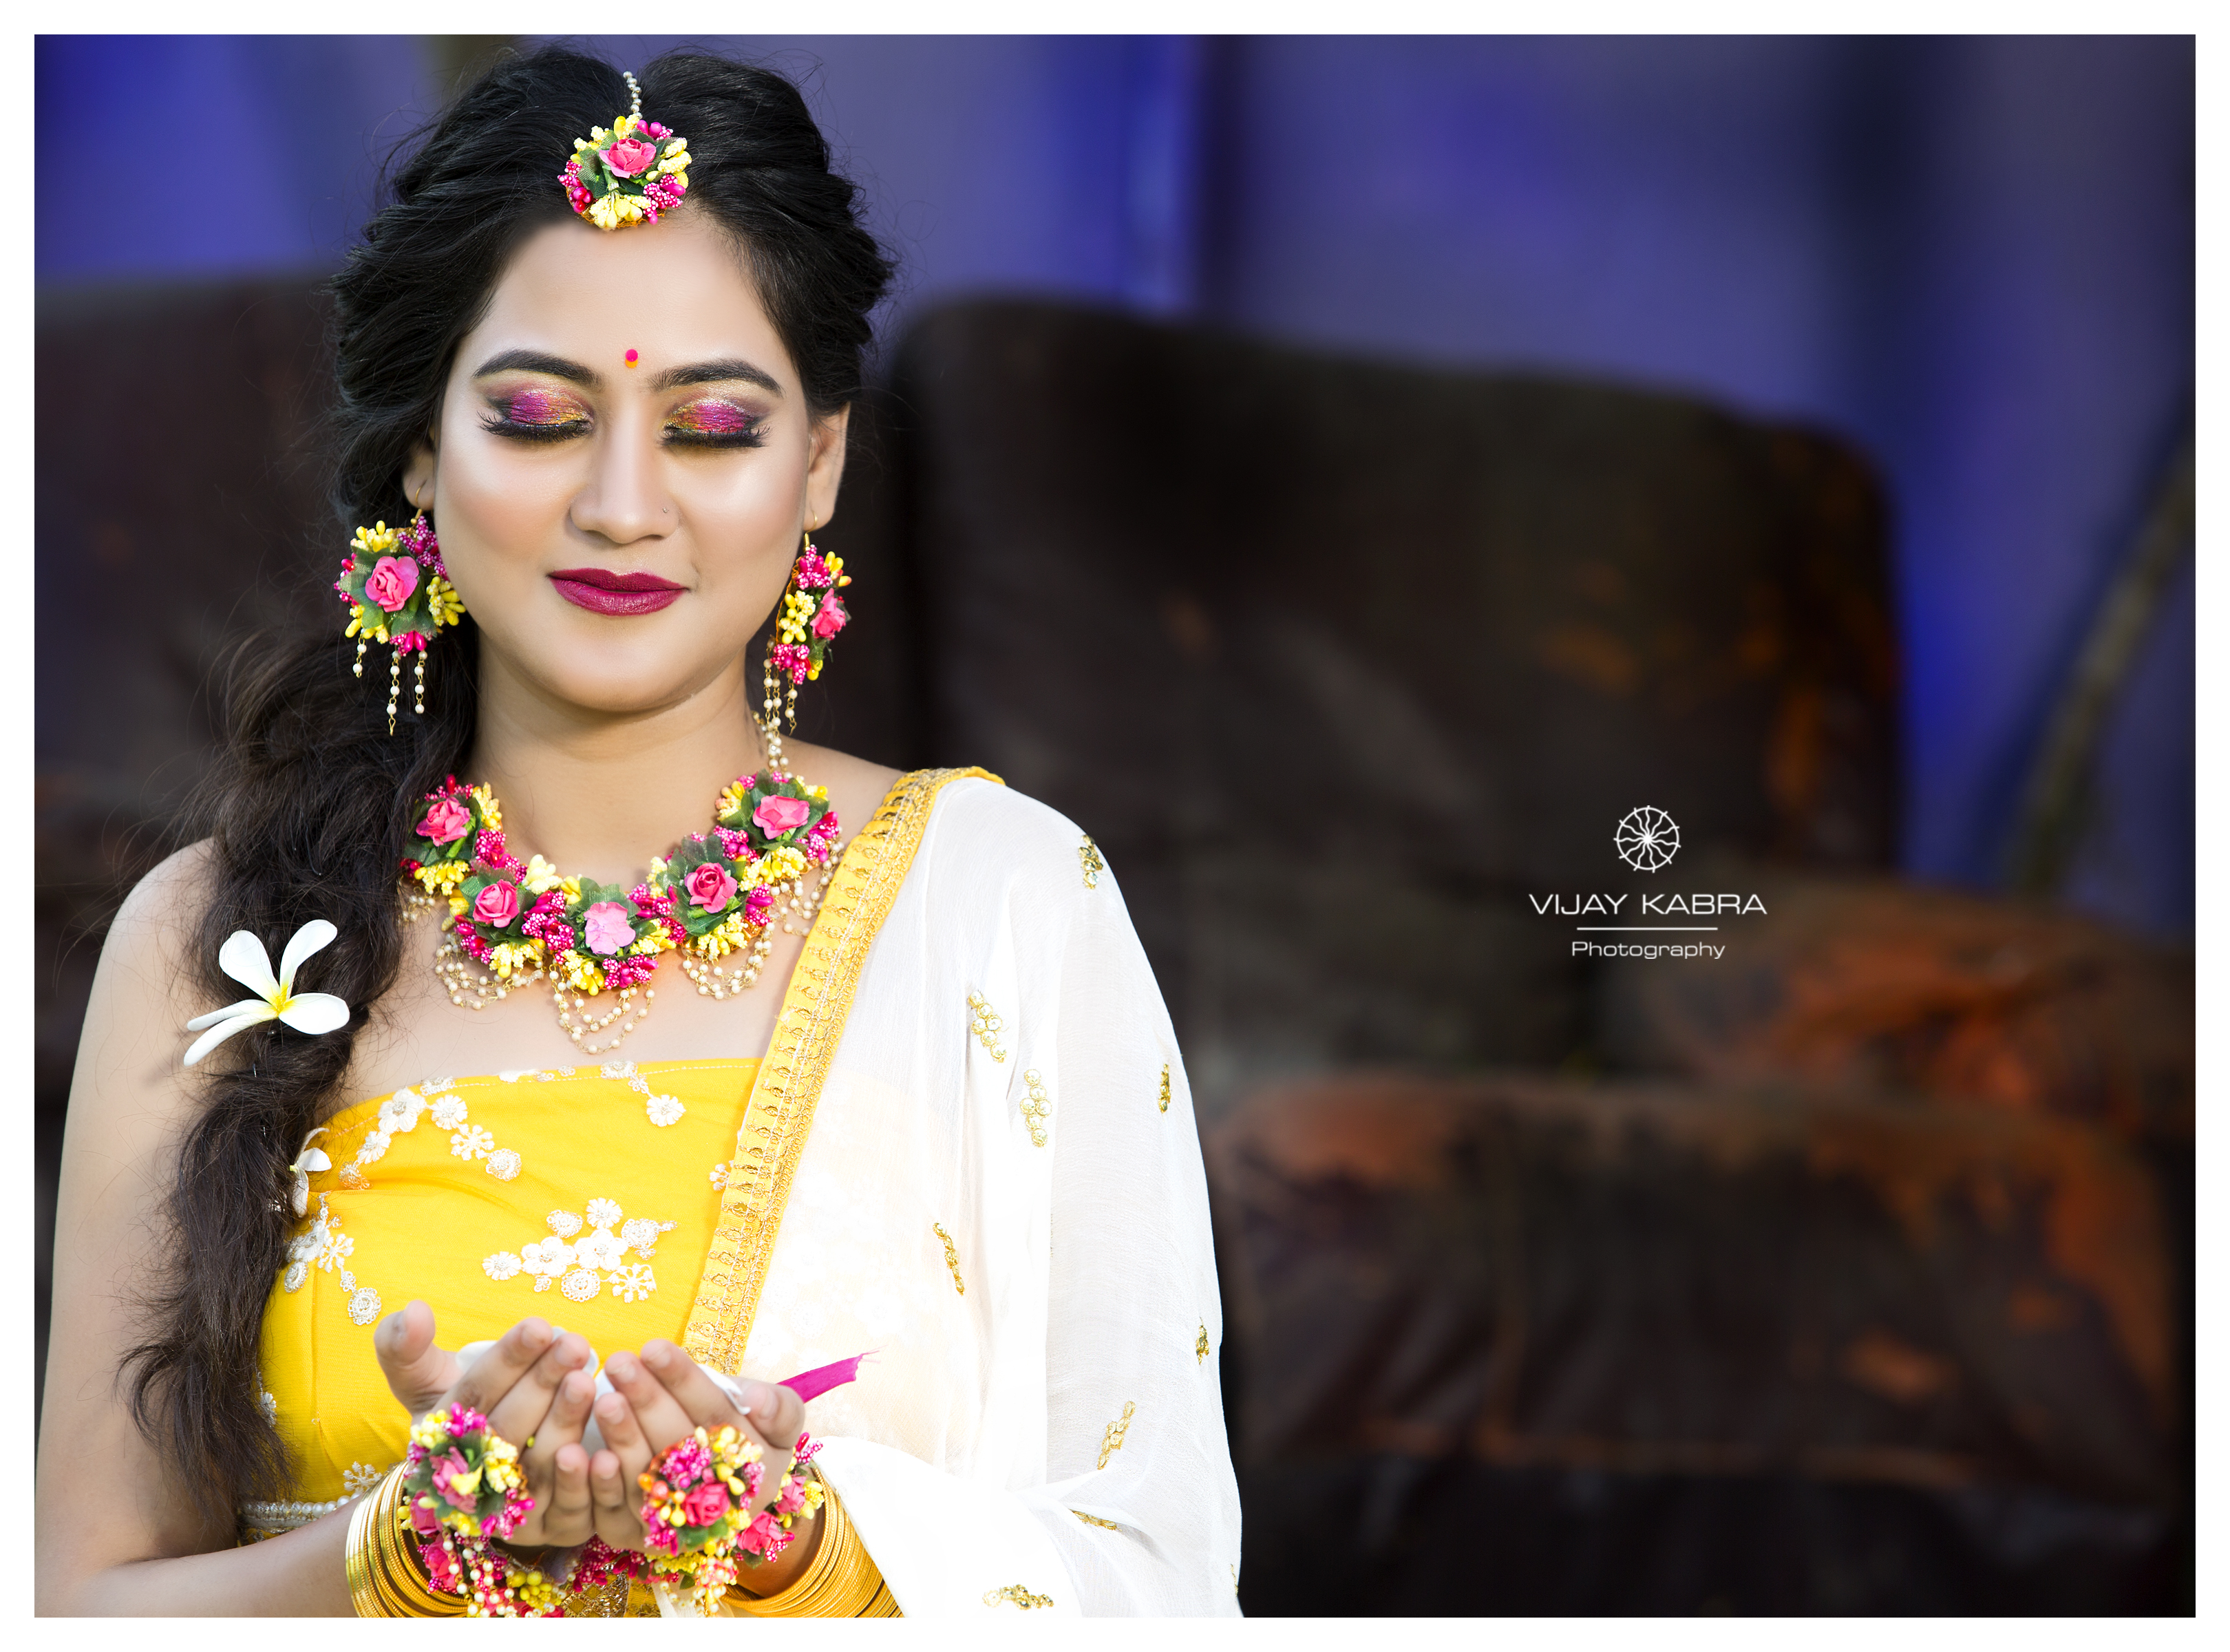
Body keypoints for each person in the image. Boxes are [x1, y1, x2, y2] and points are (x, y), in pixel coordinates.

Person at [35, 45, 1240, 1618]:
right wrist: (402, 1552)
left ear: (820, 462)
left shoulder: (1007, 906)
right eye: (539, 417)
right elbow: (74, 1610)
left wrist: (796, 1548)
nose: (621, 504)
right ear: (423, 449)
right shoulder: (219, 945)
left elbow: (1155, 1579)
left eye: (713, 426)